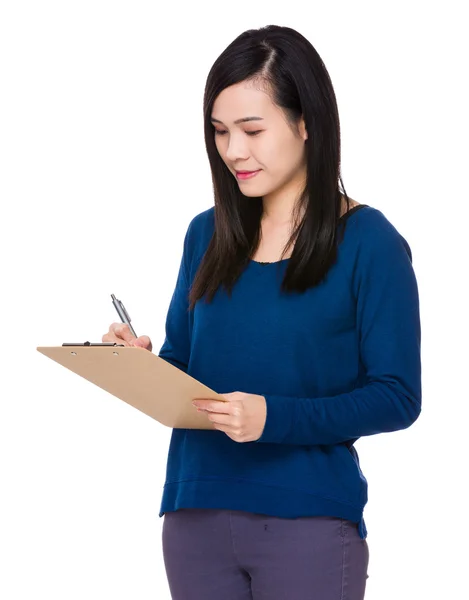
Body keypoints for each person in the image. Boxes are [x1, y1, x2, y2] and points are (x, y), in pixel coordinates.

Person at [103, 24, 421, 600]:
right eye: (220, 132)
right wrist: (141, 368)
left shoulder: (369, 242)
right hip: (194, 510)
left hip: (307, 519)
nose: (232, 150)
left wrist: (274, 419)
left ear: (306, 124)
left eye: (252, 129)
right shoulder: (206, 234)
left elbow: (397, 395)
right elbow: (186, 369)